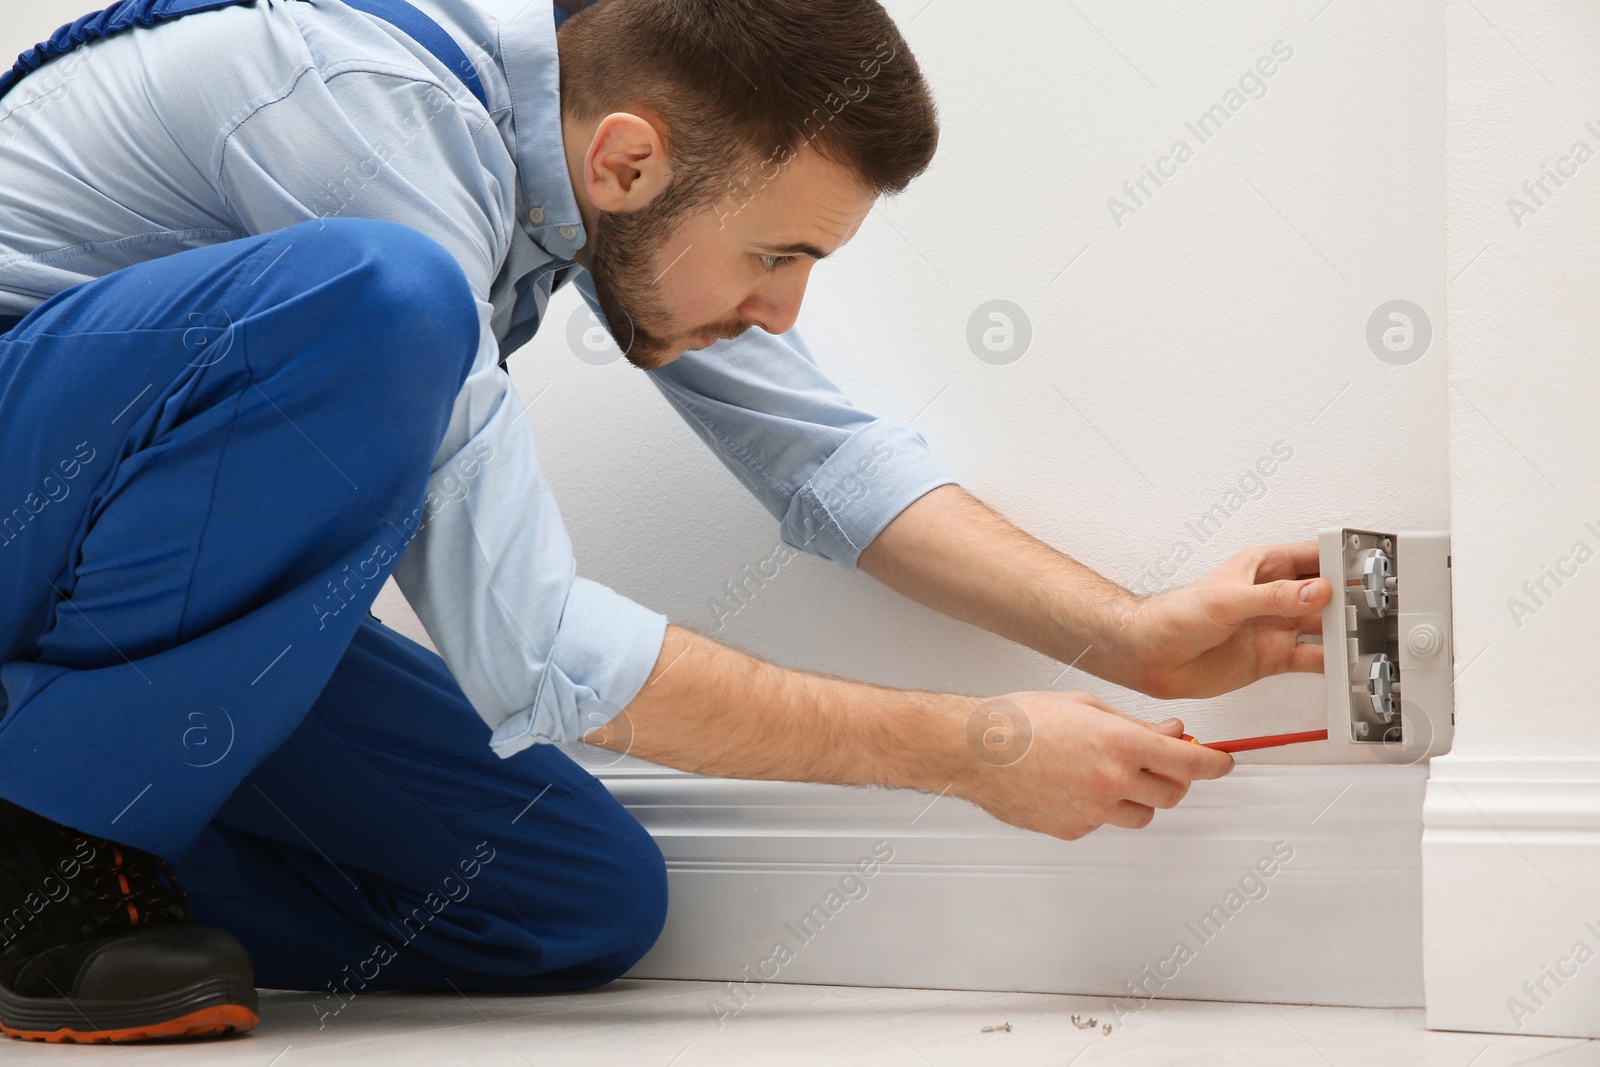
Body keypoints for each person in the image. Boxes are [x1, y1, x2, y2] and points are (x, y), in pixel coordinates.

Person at [0, 0, 1333, 1044]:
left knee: (561, 900)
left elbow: (822, 460)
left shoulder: (582, 157)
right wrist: (973, 747)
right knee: (389, 296)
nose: (785, 310)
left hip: (89, 575)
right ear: (627, 157)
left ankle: (53, 828)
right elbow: (533, 650)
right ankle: (51, 862)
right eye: (780, 256)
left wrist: (1135, 637)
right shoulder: (372, 113)